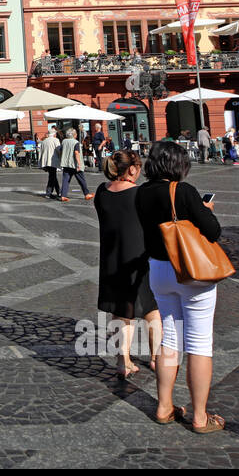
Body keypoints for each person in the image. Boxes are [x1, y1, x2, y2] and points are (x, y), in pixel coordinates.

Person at [135, 140, 224, 433]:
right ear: (178, 164)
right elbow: (212, 231)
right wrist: (206, 209)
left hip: (159, 270)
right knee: (199, 343)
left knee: (169, 339)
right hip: (190, 271)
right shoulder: (183, 191)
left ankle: (164, 407)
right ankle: (199, 417)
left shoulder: (142, 193)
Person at [94, 149, 161, 378]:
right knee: (152, 310)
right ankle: (154, 358)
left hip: (111, 261)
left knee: (122, 312)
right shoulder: (140, 194)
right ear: (132, 169)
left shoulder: (101, 192)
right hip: (138, 258)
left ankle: (123, 362)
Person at [58, 128, 94, 201]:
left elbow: (60, 150)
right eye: (76, 134)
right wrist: (79, 164)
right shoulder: (75, 142)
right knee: (81, 180)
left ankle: (63, 195)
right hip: (74, 164)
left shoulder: (64, 141)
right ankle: (86, 194)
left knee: (65, 180)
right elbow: (76, 153)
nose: (77, 135)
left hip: (66, 164)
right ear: (74, 135)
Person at [38, 129, 61, 199]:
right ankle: (48, 192)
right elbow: (59, 150)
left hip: (46, 161)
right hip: (53, 161)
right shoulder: (56, 140)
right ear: (54, 134)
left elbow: (40, 152)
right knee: (52, 177)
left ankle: (59, 191)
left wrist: (40, 163)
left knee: (53, 176)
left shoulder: (44, 141)